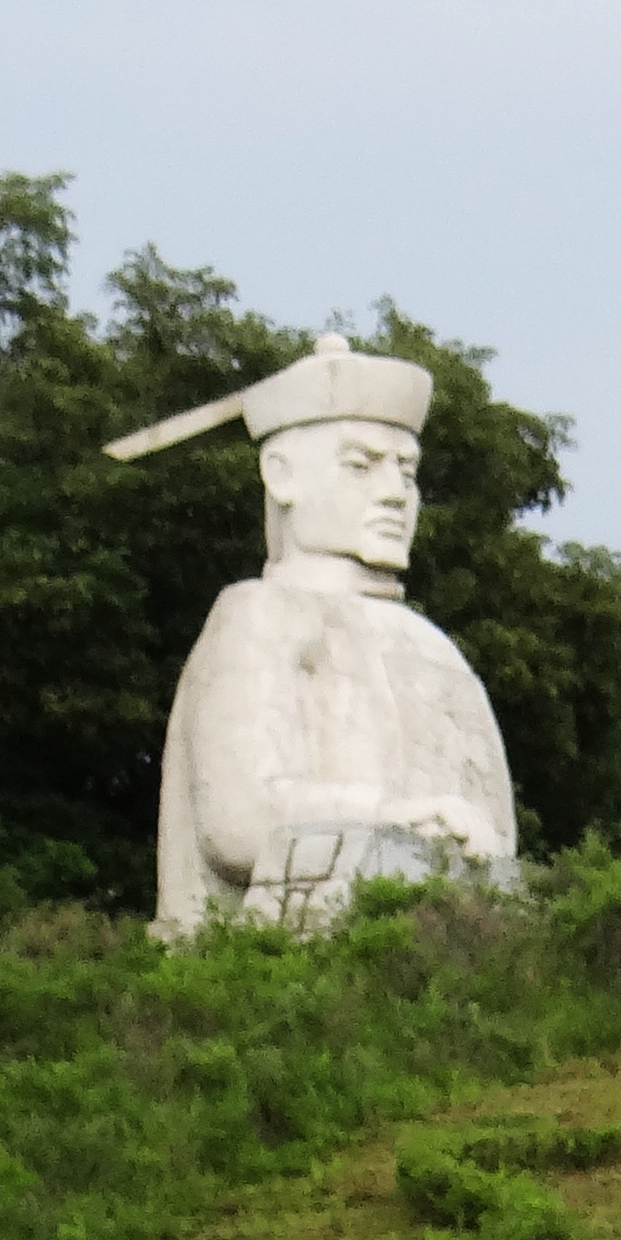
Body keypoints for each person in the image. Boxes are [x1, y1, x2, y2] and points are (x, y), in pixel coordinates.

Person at [107, 340, 522, 935]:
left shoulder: (437, 651)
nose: (394, 493)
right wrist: (391, 817)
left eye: (407, 471)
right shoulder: (257, 614)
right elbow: (238, 821)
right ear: (282, 474)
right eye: (362, 464)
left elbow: (496, 841)